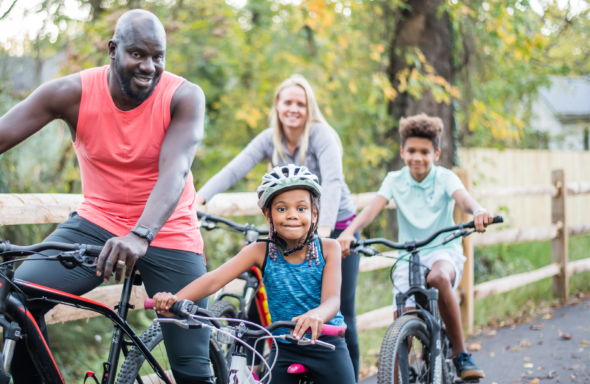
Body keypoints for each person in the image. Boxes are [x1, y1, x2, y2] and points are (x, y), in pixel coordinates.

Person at [0, 10, 213, 383]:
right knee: (16, 297)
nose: (149, 66)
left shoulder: (184, 97)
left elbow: (175, 172)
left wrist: (141, 234)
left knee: (191, 370)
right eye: (137, 54)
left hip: (167, 229)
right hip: (98, 223)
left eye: (158, 56)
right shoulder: (71, 93)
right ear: (112, 50)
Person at [195, 74, 362, 377]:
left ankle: (349, 371)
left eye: (301, 103)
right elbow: (237, 167)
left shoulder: (321, 135)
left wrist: (323, 232)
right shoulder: (270, 138)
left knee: (341, 311)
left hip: (334, 224)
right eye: (288, 102)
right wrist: (200, 197)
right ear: (277, 105)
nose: (294, 109)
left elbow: (334, 182)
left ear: (309, 108)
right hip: (292, 225)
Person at [152, 165, 356, 384]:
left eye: (301, 208)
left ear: (314, 214)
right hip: (285, 347)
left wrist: (317, 315)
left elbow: (333, 299)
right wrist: (176, 299)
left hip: (326, 343)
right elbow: (214, 279)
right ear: (268, 214)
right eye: (281, 209)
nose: (292, 215)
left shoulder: (329, 248)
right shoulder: (261, 251)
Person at [337, 114, 494, 379]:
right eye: (411, 151)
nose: (417, 157)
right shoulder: (395, 180)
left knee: (438, 277)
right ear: (402, 152)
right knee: (402, 320)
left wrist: (478, 210)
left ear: (436, 153)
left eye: (424, 151)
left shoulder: (445, 178)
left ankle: (460, 354)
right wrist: (349, 232)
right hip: (409, 255)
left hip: (443, 250)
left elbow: (464, 200)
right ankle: (393, 377)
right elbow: (371, 210)